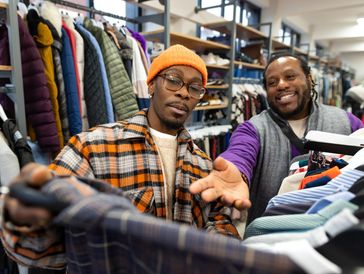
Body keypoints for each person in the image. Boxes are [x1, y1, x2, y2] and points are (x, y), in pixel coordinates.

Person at [1, 44, 241, 269]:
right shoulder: (92, 147)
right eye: (173, 81)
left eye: (195, 87)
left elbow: (218, 221)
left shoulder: (203, 163)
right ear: (150, 85)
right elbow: (46, 236)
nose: (183, 93)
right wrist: (28, 223)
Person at [190, 52, 363, 224]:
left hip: (335, 234)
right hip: (269, 235)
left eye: (290, 76)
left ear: (309, 79)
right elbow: (240, 152)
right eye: (272, 82)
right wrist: (235, 170)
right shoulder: (254, 129)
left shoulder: (347, 122)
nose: (281, 85)